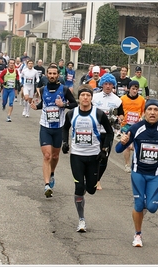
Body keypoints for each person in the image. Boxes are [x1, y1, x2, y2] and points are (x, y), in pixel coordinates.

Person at [115, 99, 158, 247]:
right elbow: (118, 150)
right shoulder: (136, 128)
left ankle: (142, 209)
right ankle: (138, 234)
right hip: (138, 173)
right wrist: (122, 142)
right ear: (144, 112)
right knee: (139, 203)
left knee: (152, 207)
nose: (152, 112)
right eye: (150, 109)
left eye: (156, 110)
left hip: (154, 174)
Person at [61, 85, 113, 232]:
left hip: (93, 156)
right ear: (79, 98)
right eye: (83, 95)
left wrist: (104, 149)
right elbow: (65, 128)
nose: (85, 98)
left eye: (88, 95)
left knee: (91, 189)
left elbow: (109, 133)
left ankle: (86, 186)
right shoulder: (71, 114)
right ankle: (81, 220)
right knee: (79, 188)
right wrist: (65, 142)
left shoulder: (99, 114)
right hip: (77, 155)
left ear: (91, 98)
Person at [30, 64, 78, 198]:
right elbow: (44, 104)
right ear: (46, 75)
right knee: (47, 156)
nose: (51, 76)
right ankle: (46, 185)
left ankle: (51, 173)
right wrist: (36, 107)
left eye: (54, 74)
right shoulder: (43, 89)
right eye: (49, 74)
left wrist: (64, 105)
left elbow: (74, 104)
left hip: (59, 128)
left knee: (55, 156)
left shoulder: (64, 89)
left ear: (58, 75)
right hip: (45, 127)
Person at [91, 73, 124, 190]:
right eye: (106, 84)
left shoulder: (117, 100)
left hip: (108, 132)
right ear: (102, 85)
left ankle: (98, 180)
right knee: (93, 156)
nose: (108, 86)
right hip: (95, 131)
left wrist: (120, 118)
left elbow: (121, 114)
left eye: (110, 84)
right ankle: (91, 177)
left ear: (113, 85)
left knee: (104, 157)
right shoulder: (94, 97)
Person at [119, 80, 146, 173]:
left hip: (137, 125)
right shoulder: (122, 99)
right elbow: (119, 111)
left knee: (136, 145)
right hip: (126, 124)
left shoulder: (142, 99)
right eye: (133, 89)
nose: (135, 91)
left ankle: (136, 163)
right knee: (127, 145)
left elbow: (143, 111)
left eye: (136, 89)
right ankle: (127, 164)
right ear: (129, 89)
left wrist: (142, 118)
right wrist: (120, 117)